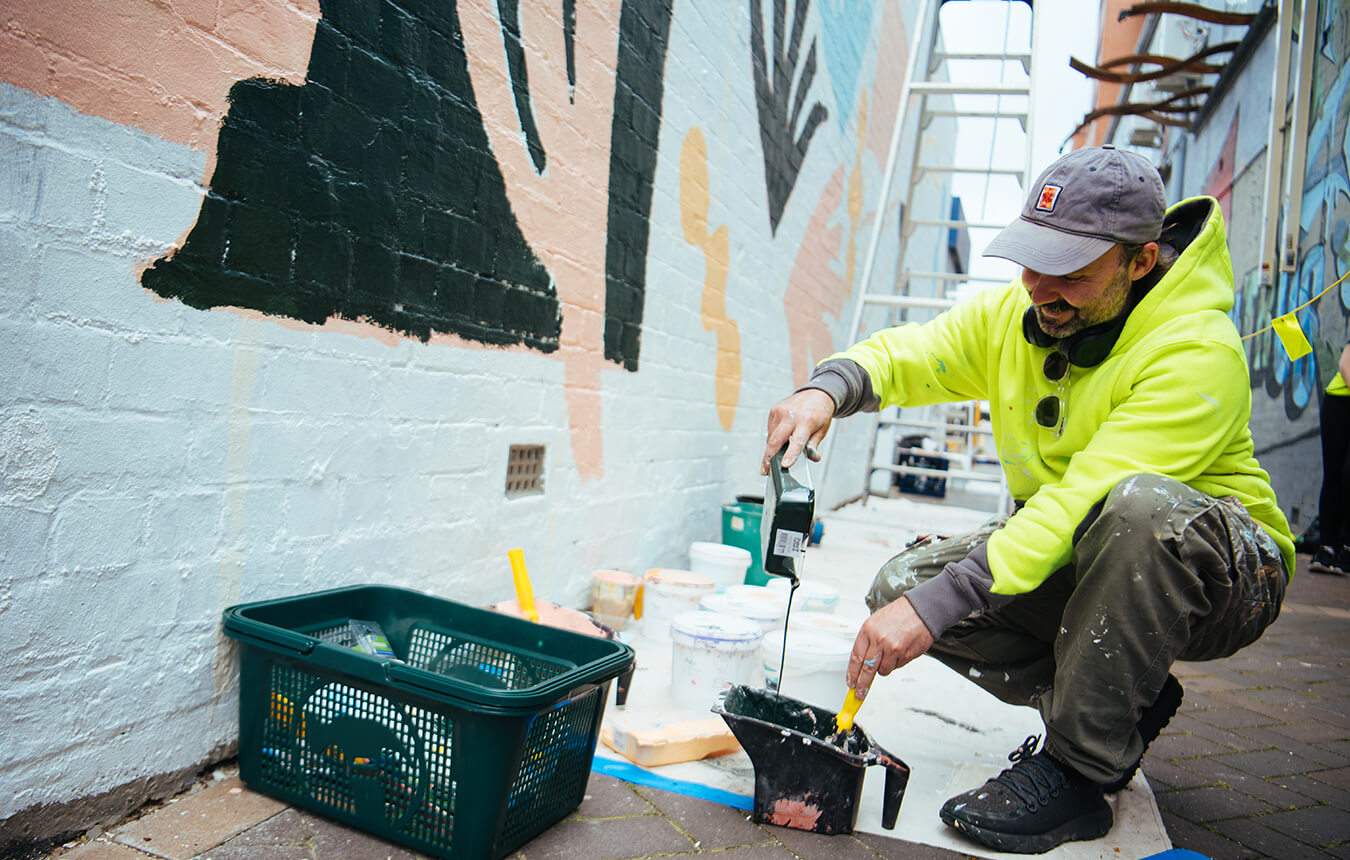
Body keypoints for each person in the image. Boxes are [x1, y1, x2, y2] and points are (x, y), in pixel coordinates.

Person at [762, 146, 1295, 854]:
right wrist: (825, 390)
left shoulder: (1196, 350)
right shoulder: (1025, 313)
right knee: (904, 586)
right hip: (1088, 544)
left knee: (1132, 510)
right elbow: (914, 354)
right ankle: (1119, 702)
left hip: (1221, 570)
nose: (1039, 288)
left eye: (1069, 272)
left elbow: (1085, 499)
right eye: (1031, 260)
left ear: (1140, 261)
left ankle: (1079, 772)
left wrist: (940, 605)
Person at [1311, 340, 1350, 574]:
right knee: (1333, 475)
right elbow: (1345, 363)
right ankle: (1327, 548)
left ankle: (1346, 548)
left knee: (1349, 476)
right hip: (1339, 401)